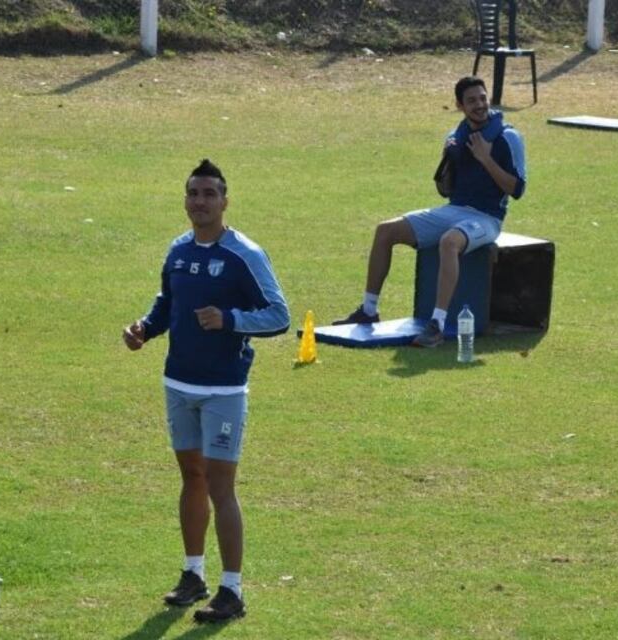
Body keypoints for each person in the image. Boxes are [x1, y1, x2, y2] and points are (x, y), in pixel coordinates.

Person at [123, 159, 289, 623]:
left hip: (223, 391)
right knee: (191, 478)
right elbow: (167, 304)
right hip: (178, 384)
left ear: (225, 201)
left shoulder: (244, 256)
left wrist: (231, 319)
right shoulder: (178, 251)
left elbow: (278, 314)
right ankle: (193, 574)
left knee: (221, 487)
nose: (200, 202)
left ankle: (232, 590)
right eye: (193, 193)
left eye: (209, 194)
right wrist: (143, 330)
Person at [333, 76, 526, 347]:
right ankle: (368, 311)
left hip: (487, 218)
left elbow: (516, 189)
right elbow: (445, 191)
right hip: (454, 209)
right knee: (385, 230)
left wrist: (485, 158)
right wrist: (447, 158)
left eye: (482, 98)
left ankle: (437, 324)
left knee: (449, 241)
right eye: (472, 101)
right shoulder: (456, 136)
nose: (480, 105)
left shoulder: (508, 137)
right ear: (460, 106)